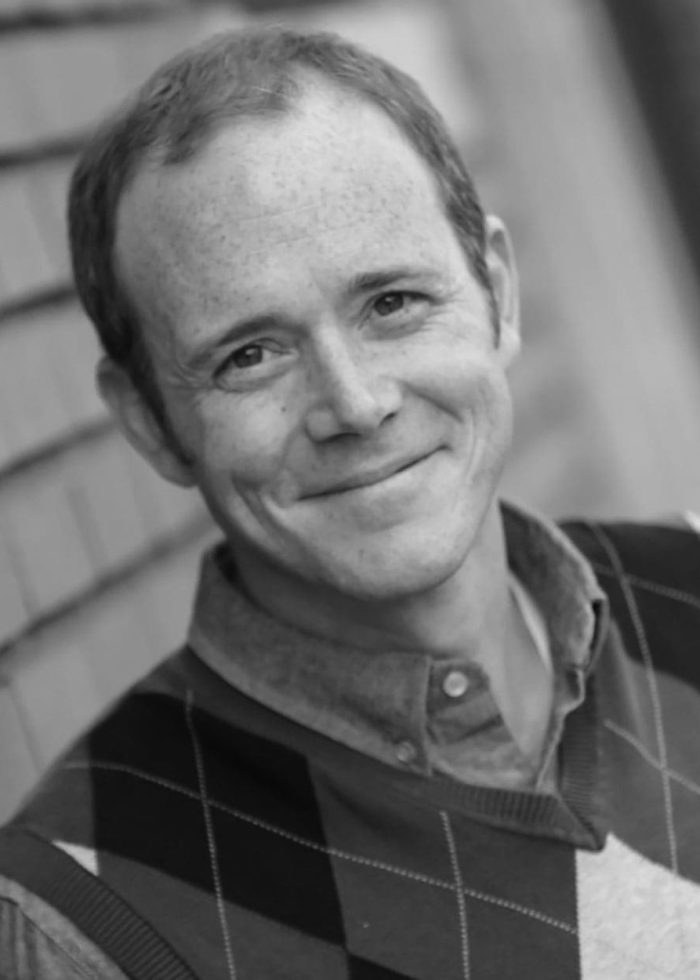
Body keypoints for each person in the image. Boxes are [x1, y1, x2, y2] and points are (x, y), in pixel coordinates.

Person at [1, 25, 700, 980]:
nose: (356, 404)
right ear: (152, 423)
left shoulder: (688, 591)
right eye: (251, 355)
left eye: (392, 303)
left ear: (495, 290)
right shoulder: (83, 916)